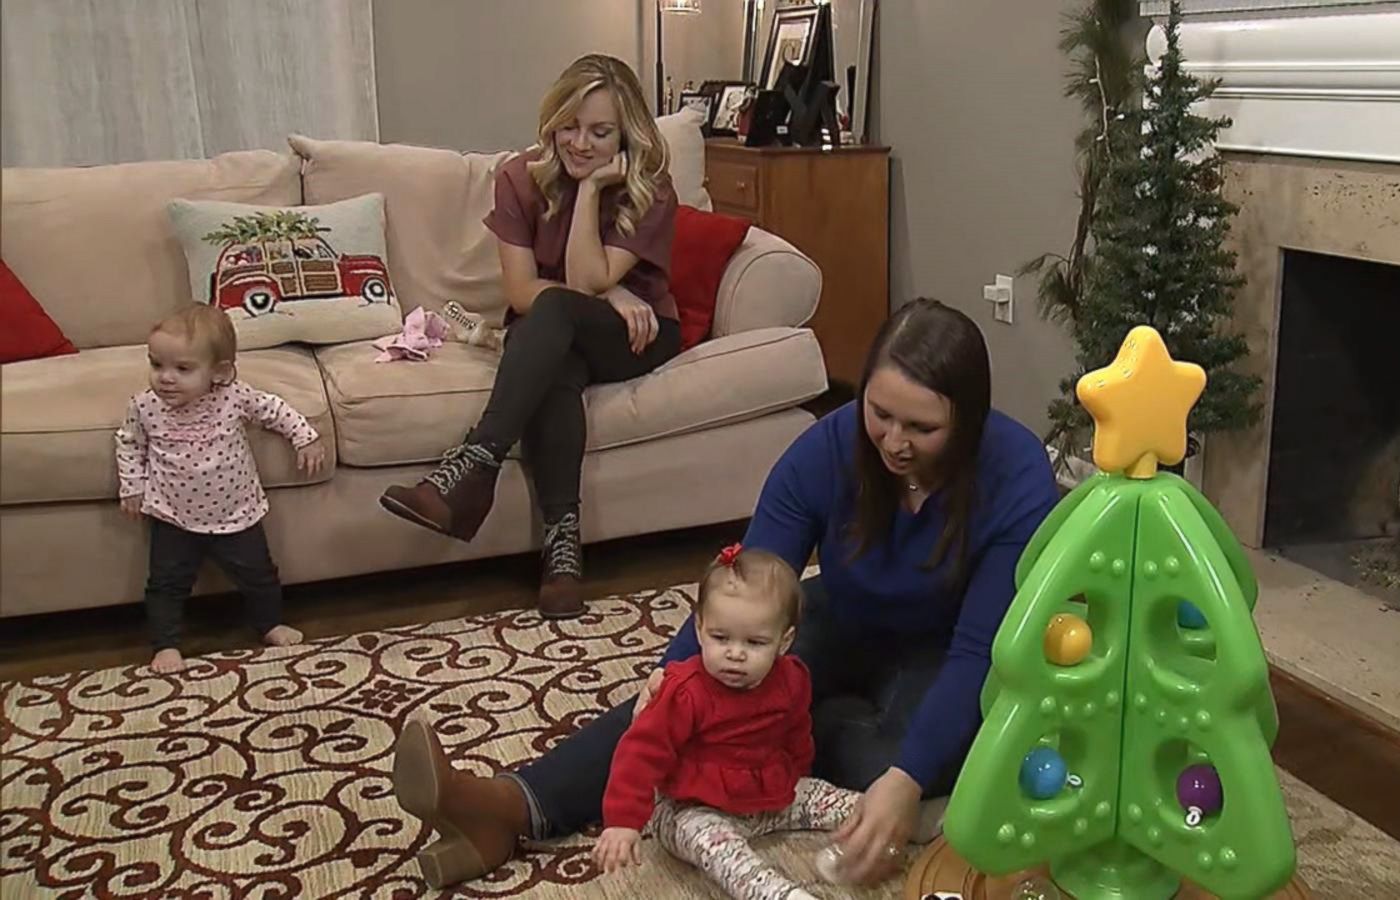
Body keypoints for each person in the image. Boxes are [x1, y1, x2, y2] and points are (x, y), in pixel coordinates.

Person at [389, 299, 1059, 889]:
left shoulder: (1016, 472)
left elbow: (979, 651)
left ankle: (807, 735)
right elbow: (748, 581)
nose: (894, 441)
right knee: (697, 689)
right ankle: (510, 807)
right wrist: (670, 677)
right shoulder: (826, 449)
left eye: (922, 428)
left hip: (945, 653)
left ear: (967, 423)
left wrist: (907, 780)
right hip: (839, 617)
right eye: (880, 415)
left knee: (888, 771)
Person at [380, 54, 681, 619]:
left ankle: (472, 467)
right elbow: (521, 292)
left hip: (638, 335)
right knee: (554, 362)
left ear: (627, 133)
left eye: (600, 131)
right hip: (552, 330)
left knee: (554, 322)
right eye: (570, 125)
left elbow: (584, 279)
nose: (581, 143)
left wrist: (592, 194)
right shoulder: (519, 178)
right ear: (552, 121)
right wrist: (605, 290)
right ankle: (562, 552)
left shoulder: (649, 188)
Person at [589, 544, 857, 900]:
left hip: (769, 797)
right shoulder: (685, 692)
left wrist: (797, 775)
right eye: (720, 637)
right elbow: (640, 752)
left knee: (834, 798)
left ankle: (911, 822)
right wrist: (623, 821)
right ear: (699, 629)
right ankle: (778, 893)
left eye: (755, 642)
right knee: (720, 851)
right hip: (690, 808)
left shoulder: (793, 678)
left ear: (784, 641)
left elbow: (796, 731)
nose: (735, 653)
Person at [115, 306, 328, 673]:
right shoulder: (145, 406)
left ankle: (269, 623)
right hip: (173, 515)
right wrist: (132, 487)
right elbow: (129, 443)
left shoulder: (233, 396)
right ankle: (166, 645)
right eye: (156, 365)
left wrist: (304, 437)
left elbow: (274, 409)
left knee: (260, 575)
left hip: (237, 512)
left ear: (220, 372)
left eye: (182, 369)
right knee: (166, 584)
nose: (165, 378)